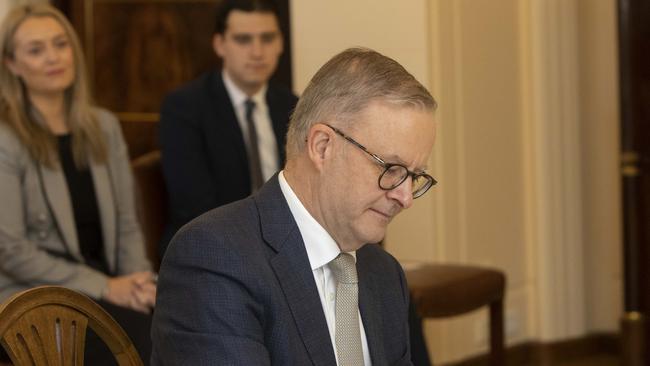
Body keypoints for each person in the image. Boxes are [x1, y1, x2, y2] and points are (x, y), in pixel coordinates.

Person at [151, 47, 438, 365]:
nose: (406, 197)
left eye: (414, 177)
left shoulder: (383, 274)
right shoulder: (215, 258)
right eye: (390, 169)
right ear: (322, 146)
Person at [0, 4, 155, 364]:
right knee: (145, 343)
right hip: (33, 297)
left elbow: (128, 223)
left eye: (60, 44)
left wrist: (137, 282)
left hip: (109, 288)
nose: (53, 57)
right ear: (12, 65)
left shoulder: (103, 126)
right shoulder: (6, 139)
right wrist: (105, 287)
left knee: (182, 320)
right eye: (36, 50)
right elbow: (11, 250)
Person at [158, 0, 298, 256]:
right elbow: (194, 206)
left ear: (280, 43)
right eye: (243, 40)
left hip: (284, 247)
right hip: (210, 246)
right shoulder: (185, 107)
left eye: (267, 38)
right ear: (220, 44)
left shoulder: (293, 105)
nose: (257, 52)